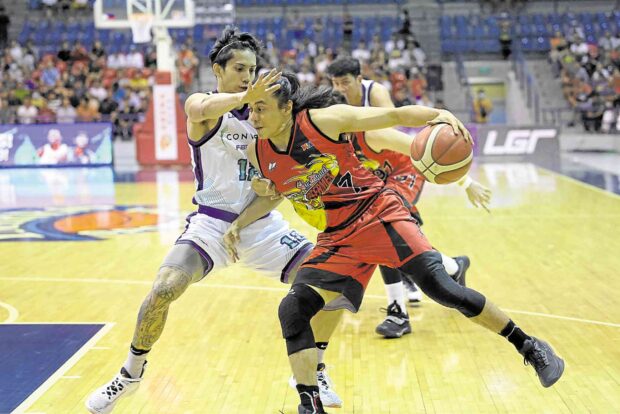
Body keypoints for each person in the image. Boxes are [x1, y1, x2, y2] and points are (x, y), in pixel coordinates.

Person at [244, 74, 564, 414]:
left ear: (287, 107)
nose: (253, 117)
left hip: (380, 214)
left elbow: (392, 117)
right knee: (292, 309)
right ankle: (309, 405)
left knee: (443, 290)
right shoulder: (258, 152)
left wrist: (436, 114)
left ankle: (530, 346)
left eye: (261, 109)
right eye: (250, 109)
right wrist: (243, 218)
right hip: (338, 236)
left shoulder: (323, 121)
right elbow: (277, 191)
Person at [85, 28, 342, 414]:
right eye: (239, 68)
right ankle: (130, 373)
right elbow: (197, 110)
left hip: (257, 225)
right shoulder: (203, 108)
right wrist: (244, 97)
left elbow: (273, 188)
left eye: (252, 70)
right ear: (217, 70)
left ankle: (314, 369)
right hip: (210, 224)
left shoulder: (263, 123)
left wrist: (266, 189)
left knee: (334, 284)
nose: (246, 76)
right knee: (164, 287)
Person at [327, 57, 489, 338]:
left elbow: (417, 149)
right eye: (335, 84)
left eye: (345, 83)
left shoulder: (373, 115)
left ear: (357, 80)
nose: (340, 89)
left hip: (405, 169)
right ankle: (452, 265)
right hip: (380, 174)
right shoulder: (334, 129)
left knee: (382, 224)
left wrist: (466, 182)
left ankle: (398, 311)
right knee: (373, 228)